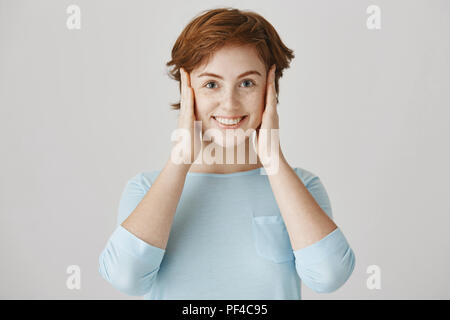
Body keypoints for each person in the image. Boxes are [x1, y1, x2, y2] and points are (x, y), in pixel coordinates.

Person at [98, 7, 355, 299]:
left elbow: (330, 276)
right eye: (211, 84)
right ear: (187, 91)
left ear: (270, 90)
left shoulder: (302, 186)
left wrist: (272, 158)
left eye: (247, 83)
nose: (229, 104)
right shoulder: (144, 189)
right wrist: (181, 158)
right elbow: (125, 278)